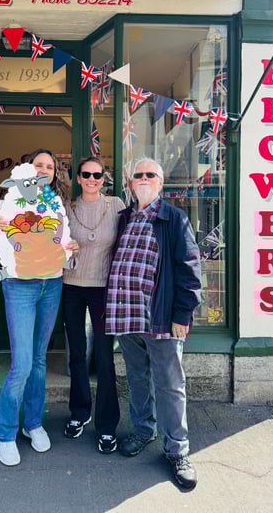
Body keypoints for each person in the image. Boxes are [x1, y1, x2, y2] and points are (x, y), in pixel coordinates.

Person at [106, 157, 201, 489]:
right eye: (138, 174)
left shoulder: (173, 219)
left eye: (151, 174)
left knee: (170, 384)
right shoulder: (124, 218)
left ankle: (177, 450)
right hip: (127, 315)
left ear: (160, 183)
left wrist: (182, 314)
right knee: (136, 377)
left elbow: (190, 269)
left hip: (160, 317)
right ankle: (144, 430)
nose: (144, 178)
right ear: (130, 183)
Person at [0, 149, 77, 467]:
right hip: (19, 286)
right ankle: (5, 433)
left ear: (53, 173)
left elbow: (61, 244)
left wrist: (69, 249)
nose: (44, 170)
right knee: (22, 364)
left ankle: (32, 423)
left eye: (49, 167)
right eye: (39, 165)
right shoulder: (11, 201)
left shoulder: (56, 205)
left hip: (51, 285)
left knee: (38, 361)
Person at [62, 156, 125, 453]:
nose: (91, 179)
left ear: (104, 178)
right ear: (78, 177)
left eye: (97, 175)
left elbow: (127, 243)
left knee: (103, 357)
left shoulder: (116, 206)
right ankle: (79, 413)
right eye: (86, 174)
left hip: (104, 289)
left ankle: (107, 425)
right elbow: (54, 244)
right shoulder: (67, 208)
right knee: (76, 354)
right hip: (71, 286)